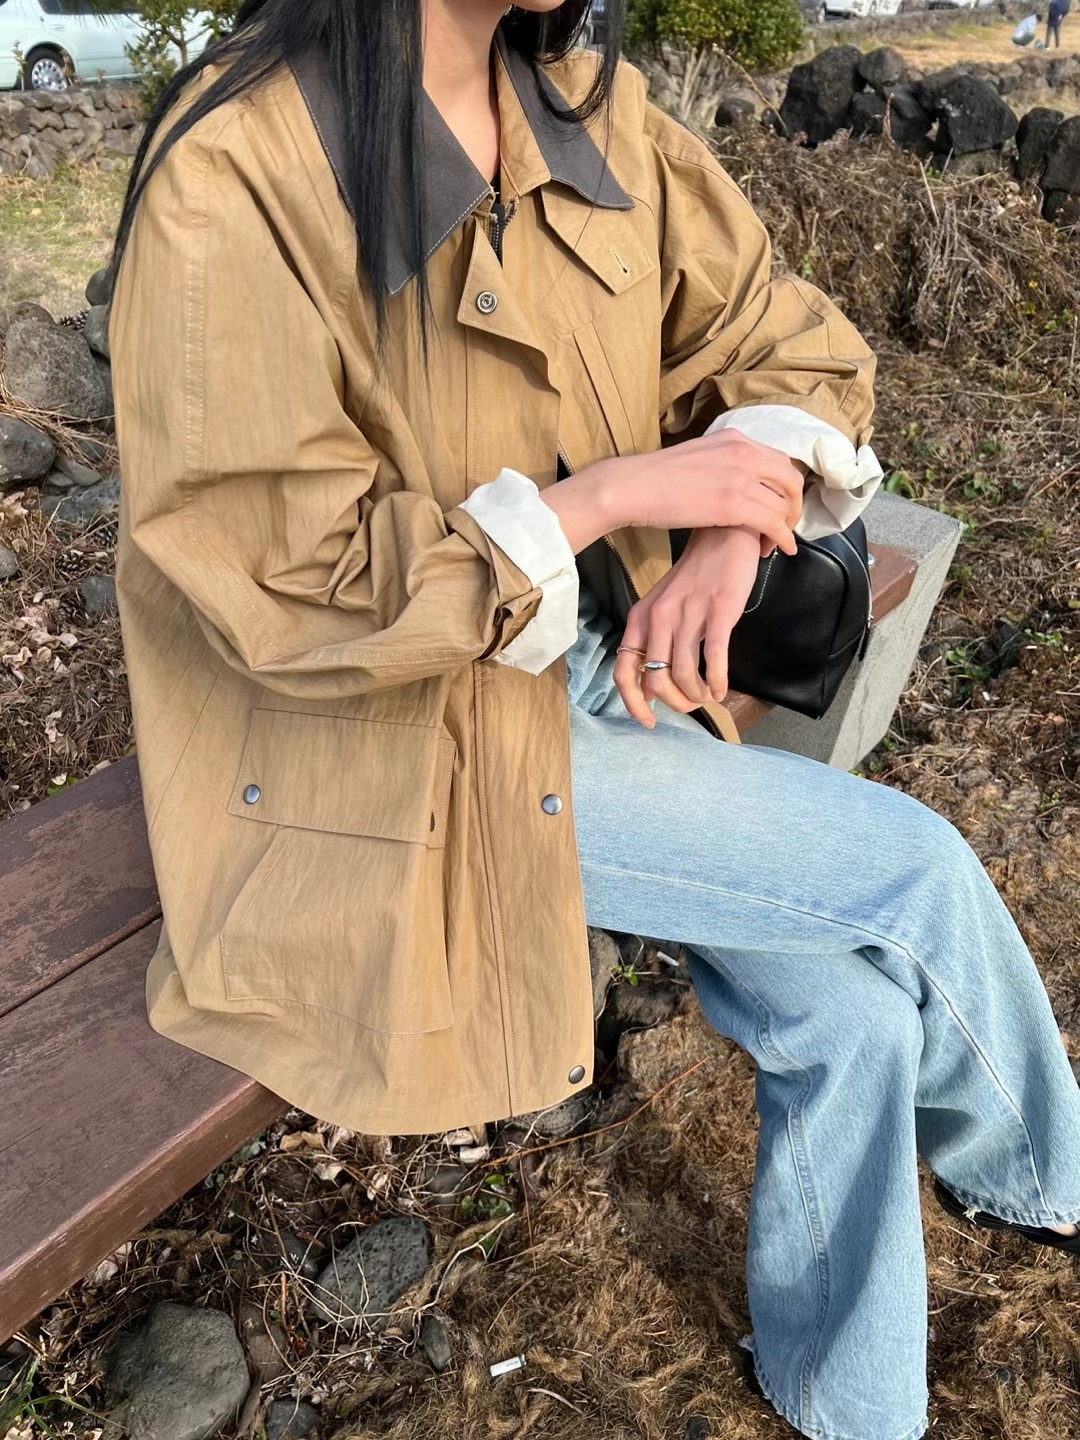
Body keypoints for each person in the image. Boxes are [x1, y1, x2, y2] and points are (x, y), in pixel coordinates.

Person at [105, 3, 1080, 1439]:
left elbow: (778, 336)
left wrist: (732, 524)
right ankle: (1041, 1188)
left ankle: (847, 1397)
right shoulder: (236, 167)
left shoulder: (579, 104)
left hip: (590, 674)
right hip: (384, 745)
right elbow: (283, 575)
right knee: (915, 872)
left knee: (858, 1017)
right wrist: (611, 498)